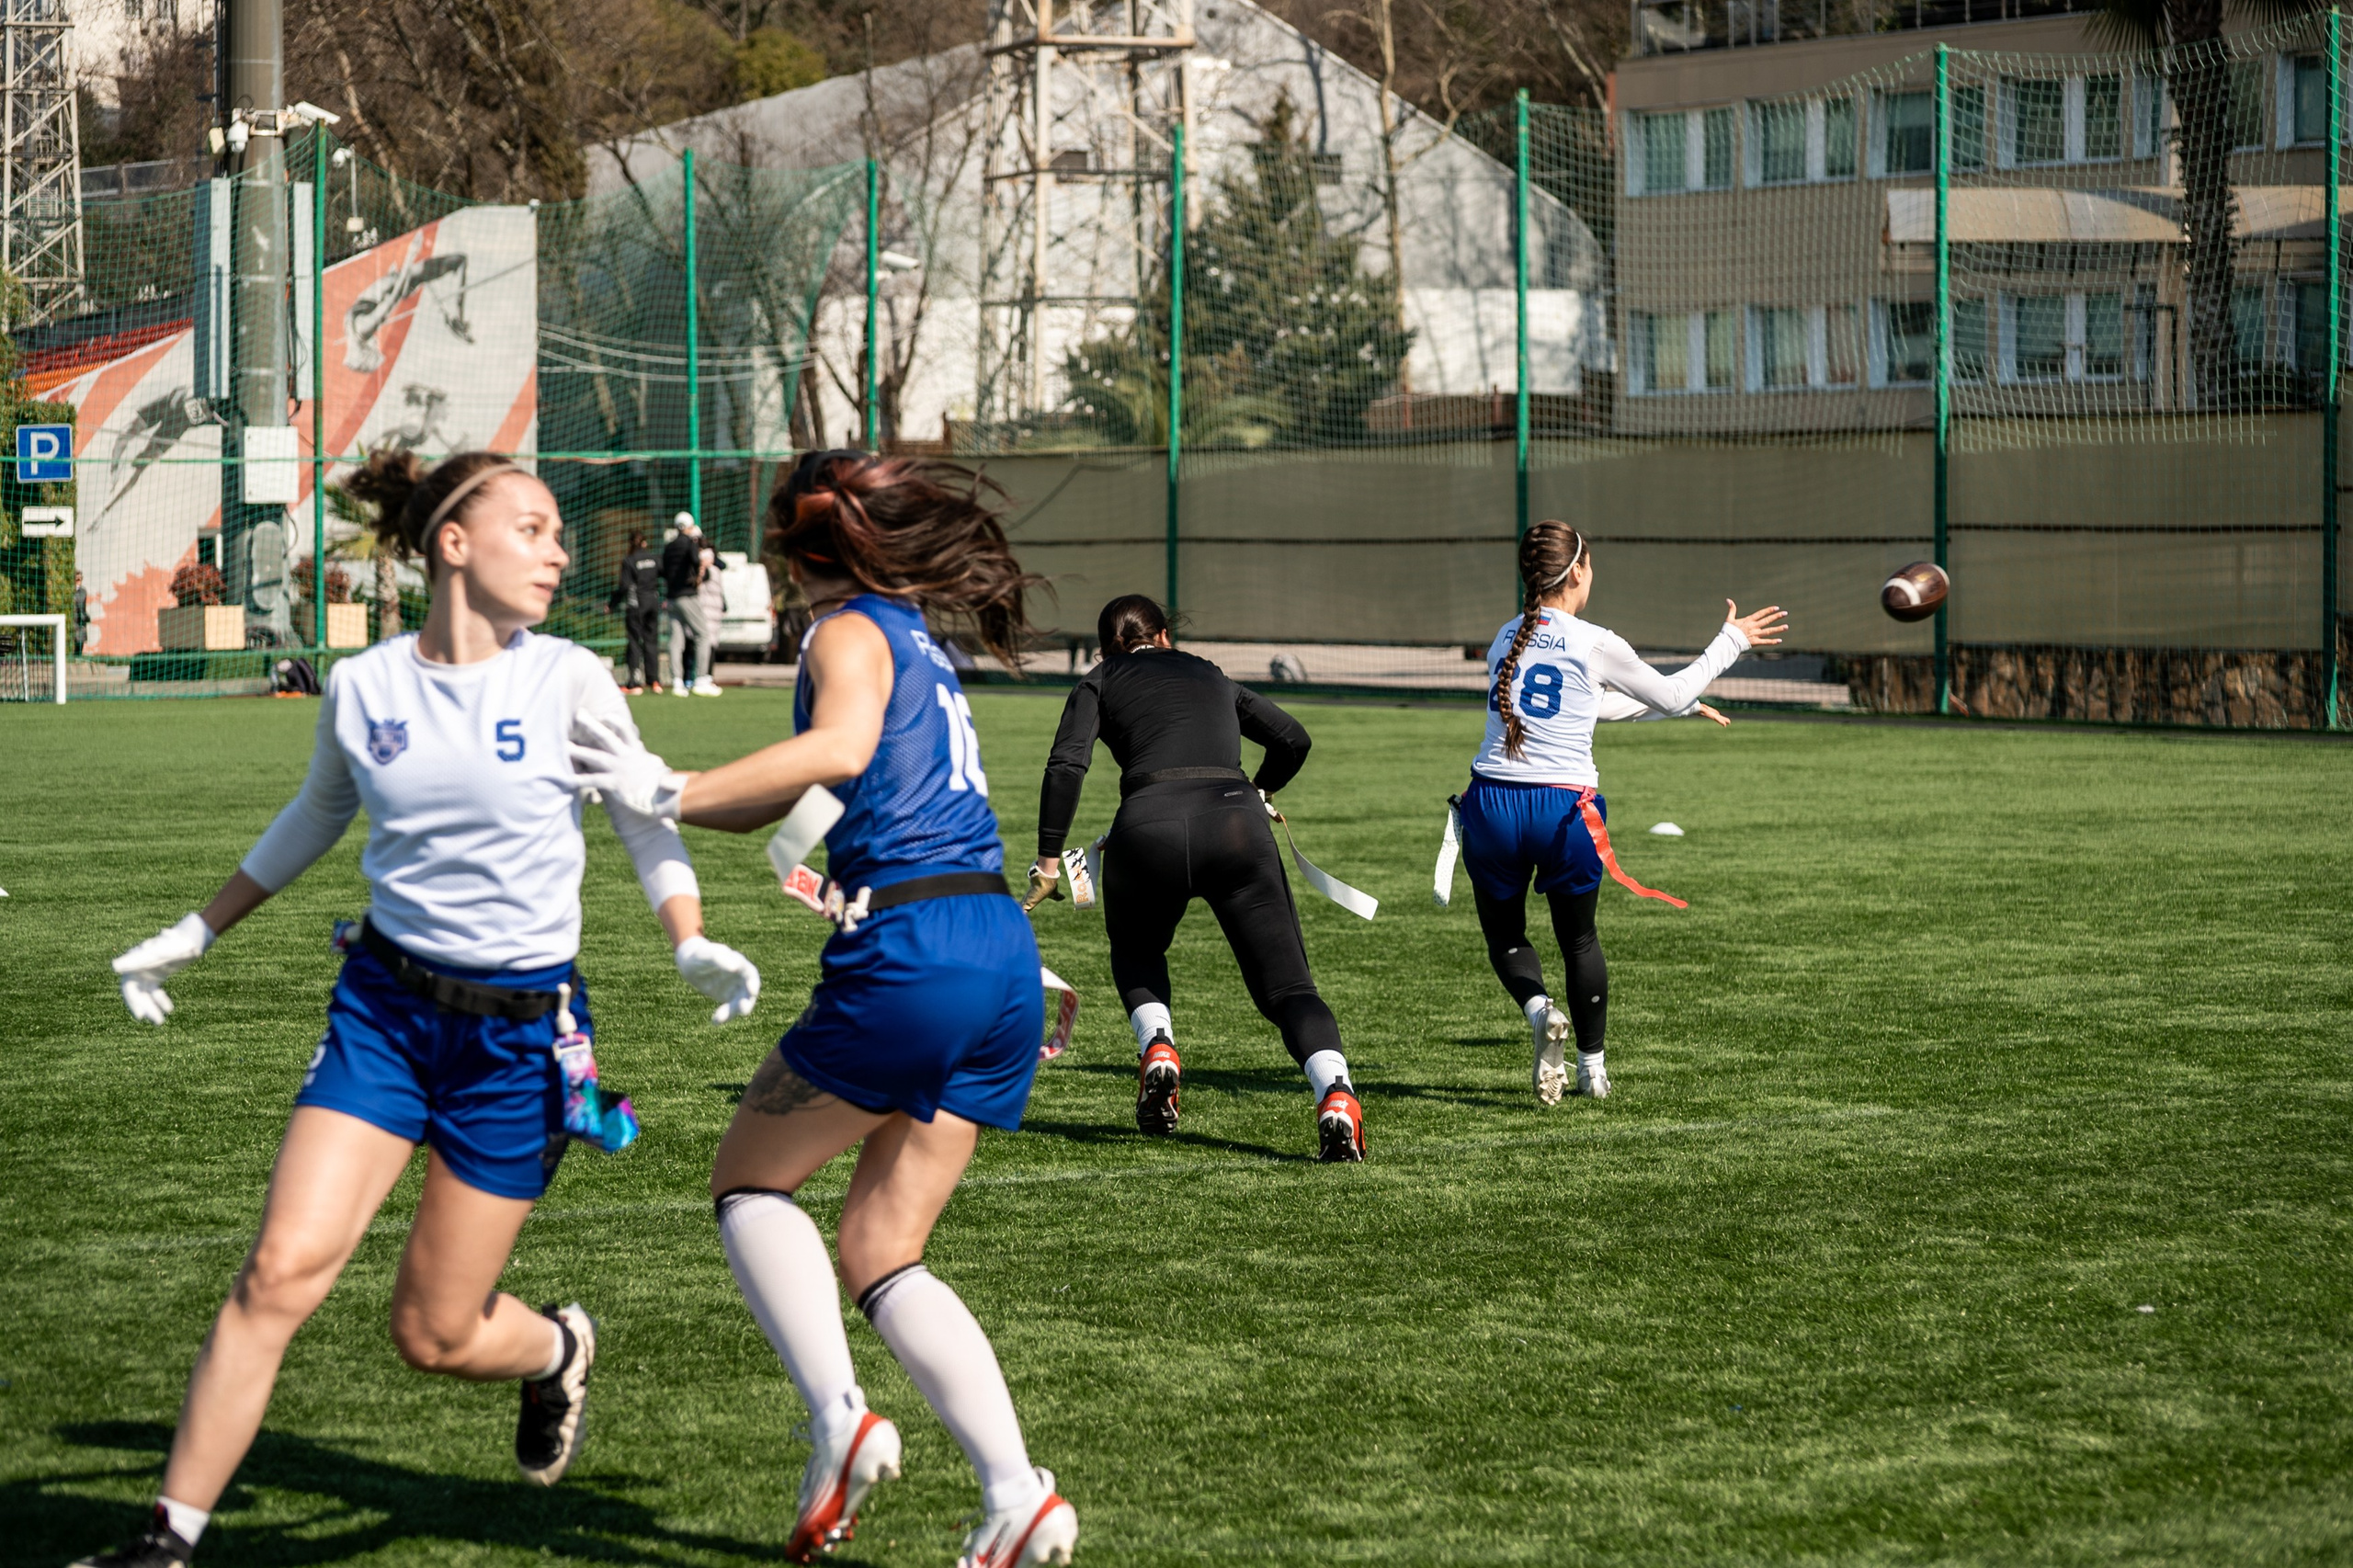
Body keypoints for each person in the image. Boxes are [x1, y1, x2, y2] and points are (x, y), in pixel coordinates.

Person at [77, 449, 763, 1568]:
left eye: (555, 534)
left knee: (432, 1332)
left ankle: (551, 1347)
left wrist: (687, 936)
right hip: (384, 1012)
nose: (556, 551)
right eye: (532, 529)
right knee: (277, 1271)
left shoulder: (570, 679)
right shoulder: (364, 683)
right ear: (454, 542)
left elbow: (643, 814)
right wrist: (199, 927)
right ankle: (166, 1539)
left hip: (517, 1039)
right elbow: (313, 816)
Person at [568, 449, 1078, 1568]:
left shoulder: (844, 629)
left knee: (749, 1181)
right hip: (998, 948)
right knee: (883, 1245)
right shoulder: (912, 638)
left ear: (804, 549)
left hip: (913, 948)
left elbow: (838, 750)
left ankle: (840, 1416)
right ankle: (1015, 1491)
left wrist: (661, 789)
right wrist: (663, 793)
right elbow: (791, 805)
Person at [1023, 595, 1365, 1163]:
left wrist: (1049, 860)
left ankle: (1158, 1047)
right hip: (1234, 821)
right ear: (1163, 637)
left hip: (1146, 826)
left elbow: (1066, 765)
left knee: (1138, 950)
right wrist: (1259, 789)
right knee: (1289, 990)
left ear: (1109, 647)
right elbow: (1292, 739)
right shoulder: (1209, 672)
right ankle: (1335, 1095)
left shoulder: (1099, 680)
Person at [1460, 518, 1784, 1107]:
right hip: (1563, 811)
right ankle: (1593, 1071)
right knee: (1579, 940)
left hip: (1493, 804)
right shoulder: (1595, 640)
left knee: (1505, 936)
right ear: (1578, 570)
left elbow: (1584, 707)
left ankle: (1540, 1012)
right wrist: (1730, 640)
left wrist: (1677, 710)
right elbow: (1670, 691)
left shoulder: (1505, 638)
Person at [661, 511, 712, 697]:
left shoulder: (669, 546)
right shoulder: (690, 544)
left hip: (672, 597)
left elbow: (663, 570)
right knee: (703, 635)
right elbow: (697, 563)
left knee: (676, 641)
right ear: (689, 527)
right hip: (687, 596)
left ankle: (677, 681)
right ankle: (700, 678)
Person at [611, 528, 664, 692]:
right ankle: (654, 681)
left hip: (636, 605)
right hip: (653, 603)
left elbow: (625, 586)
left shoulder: (629, 560)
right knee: (651, 641)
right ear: (645, 543)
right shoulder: (655, 559)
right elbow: (663, 575)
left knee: (634, 641)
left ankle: (634, 682)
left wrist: (612, 604)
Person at [695, 540, 726, 696]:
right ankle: (705, 677)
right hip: (712, 613)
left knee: (706, 645)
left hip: (708, 614)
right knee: (708, 645)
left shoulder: (710, 571)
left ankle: (704, 677)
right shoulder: (715, 570)